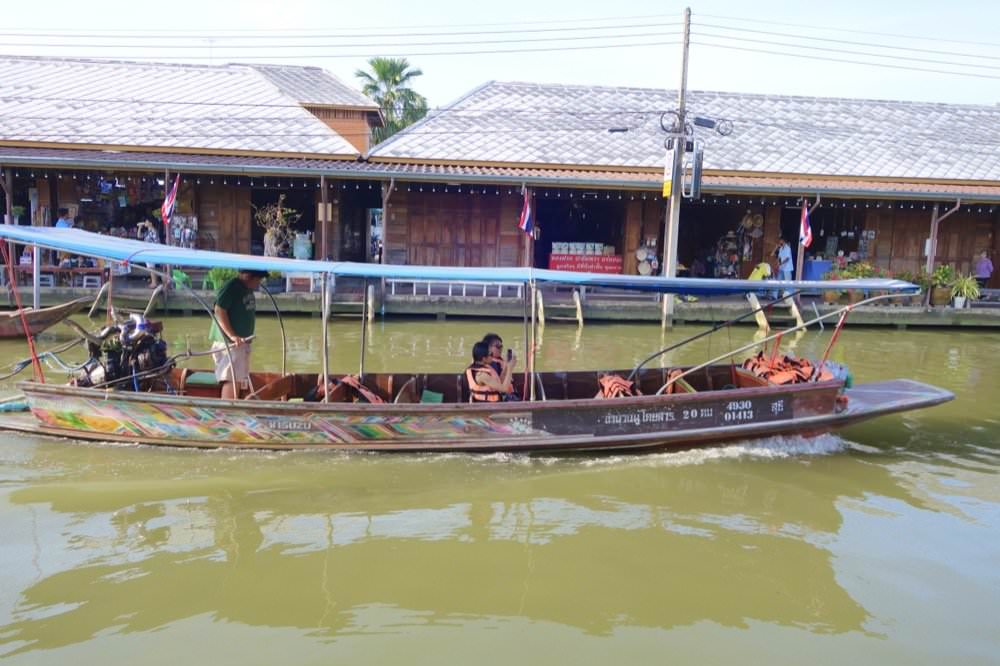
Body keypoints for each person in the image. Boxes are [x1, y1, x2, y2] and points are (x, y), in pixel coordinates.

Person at [209, 269, 267, 400]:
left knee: (238, 377)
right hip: (230, 343)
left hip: (241, 343)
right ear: (247, 276)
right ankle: (227, 412)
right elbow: (219, 310)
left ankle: (232, 407)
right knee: (231, 378)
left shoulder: (247, 288)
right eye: (257, 279)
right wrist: (232, 335)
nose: (259, 283)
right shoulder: (232, 287)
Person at [481, 332, 519, 400]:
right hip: (501, 399)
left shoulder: (499, 361)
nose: (501, 349)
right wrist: (508, 368)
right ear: (488, 347)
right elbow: (499, 386)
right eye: (498, 346)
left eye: (501, 346)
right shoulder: (490, 364)